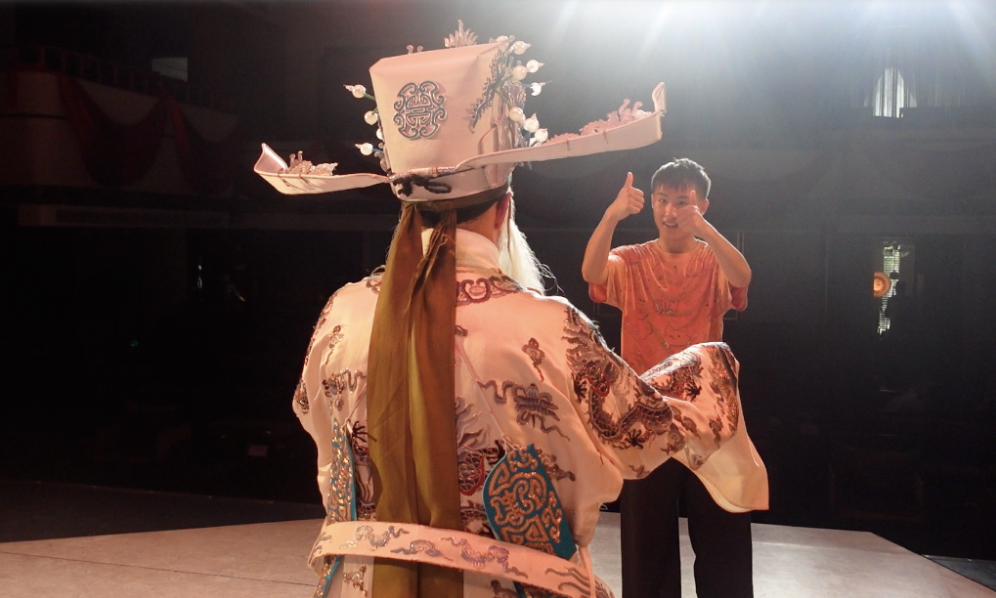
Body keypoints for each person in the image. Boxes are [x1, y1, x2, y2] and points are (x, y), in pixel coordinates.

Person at [257, 25, 755, 598]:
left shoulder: (340, 314)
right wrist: (709, 366)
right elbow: (636, 432)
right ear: (504, 211)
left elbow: (312, 418)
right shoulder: (547, 326)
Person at [581, 159, 769, 598]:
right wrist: (611, 215)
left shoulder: (712, 258)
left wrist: (705, 229)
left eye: (682, 202)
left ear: (702, 205)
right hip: (647, 414)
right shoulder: (634, 258)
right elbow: (592, 273)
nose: (670, 211)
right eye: (663, 200)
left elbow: (743, 277)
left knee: (723, 535)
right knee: (646, 544)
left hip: (707, 415)